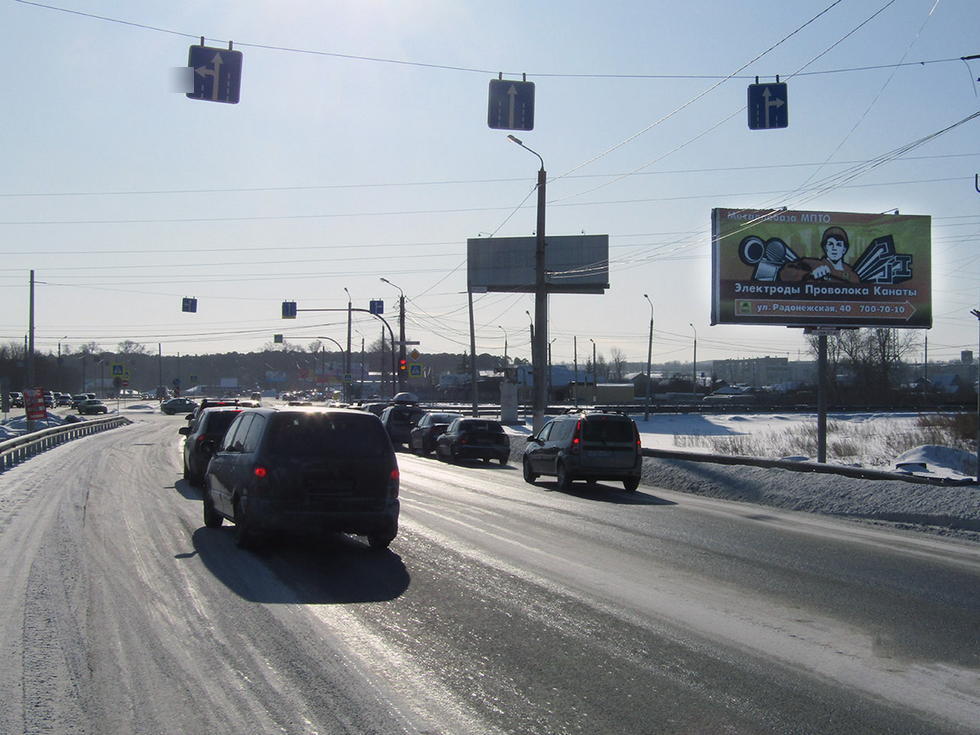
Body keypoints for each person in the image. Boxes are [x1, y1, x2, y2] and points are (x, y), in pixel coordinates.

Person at [779, 226, 860, 283]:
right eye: (830, 244)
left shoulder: (851, 274)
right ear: (825, 247)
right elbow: (785, 273)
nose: (834, 248)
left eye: (838, 245)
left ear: (844, 249)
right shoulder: (811, 264)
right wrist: (809, 275)